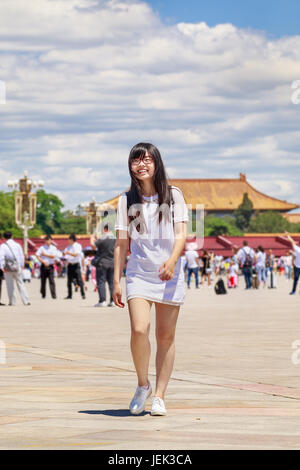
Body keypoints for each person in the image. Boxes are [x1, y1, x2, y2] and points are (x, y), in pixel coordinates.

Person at [113, 142, 188, 417]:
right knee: (139, 329)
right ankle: (142, 385)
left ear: (157, 163)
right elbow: (122, 243)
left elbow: (181, 236)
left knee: (165, 336)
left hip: (169, 273)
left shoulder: (174, 195)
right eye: (136, 160)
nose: (141, 164)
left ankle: (159, 396)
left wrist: (172, 261)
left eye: (146, 160)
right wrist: (117, 281)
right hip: (138, 274)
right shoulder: (125, 199)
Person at [0, 231, 30, 306]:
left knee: (10, 285)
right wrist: (22, 265)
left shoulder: (3, 246)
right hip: (17, 267)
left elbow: (1, 257)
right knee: (21, 283)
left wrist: (1, 266)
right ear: (12, 236)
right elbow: (21, 256)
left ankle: (12, 302)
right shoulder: (17, 245)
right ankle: (25, 301)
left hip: (8, 268)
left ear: (4, 237)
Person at [90, 224, 116, 307]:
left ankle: (102, 300)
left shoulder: (103, 238)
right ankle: (112, 301)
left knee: (101, 282)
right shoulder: (115, 238)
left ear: (105, 229)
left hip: (102, 263)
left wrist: (92, 237)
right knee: (111, 282)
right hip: (112, 262)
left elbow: (93, 246)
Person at [63, 234, 85, 300]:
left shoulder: (78, 246)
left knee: (79, 280)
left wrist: (68, 253)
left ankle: (83, 294)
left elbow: (76, 254)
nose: (68, 241)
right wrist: (65, 254)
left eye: (69, 239)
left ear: (72, 240)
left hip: (76, 264)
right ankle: (69, 295)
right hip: (70, 265)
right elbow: (64, 253)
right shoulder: (68, 247)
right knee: (69, 281)